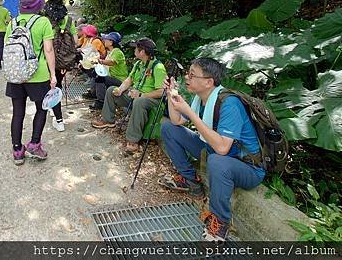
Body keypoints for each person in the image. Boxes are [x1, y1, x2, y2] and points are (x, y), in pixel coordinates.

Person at [159, 58, 265, 242]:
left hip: (248, 167)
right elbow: (177, 121)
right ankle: (191, 181)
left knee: (216, 160)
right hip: (214, 150)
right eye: (188, 73)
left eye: (192, 74)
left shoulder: (230, 104)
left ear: (209, 82)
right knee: (168, 128)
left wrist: (190, 113)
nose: (187, 77)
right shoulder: (200, 98)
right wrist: (170, 95)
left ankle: (220, 221)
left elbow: (223, 148)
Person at [5, 0, 57, 165]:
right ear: (39, 5)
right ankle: (35, 144)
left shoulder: (13, 22)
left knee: (17, 112)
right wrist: (53, 75)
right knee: (42, 109)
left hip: (17, 74)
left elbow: (8, 49)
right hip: (38, 74)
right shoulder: (43, 22)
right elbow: (48, 50)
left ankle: (18, 150)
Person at [91, 38, 166, 154]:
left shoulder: (158, 67)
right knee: (112, 90)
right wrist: (120, 89)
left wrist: (141, 94)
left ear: (142, 52)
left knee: (139, 101)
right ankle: (107, 120)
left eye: (136, 48)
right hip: (135, 95)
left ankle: (133, 139)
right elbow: (129, 79)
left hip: (152, 100)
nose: (134, 50)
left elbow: (161, 92)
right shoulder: (138, 64)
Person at [43, 0, 77, 132]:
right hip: (63, 60)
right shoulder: (68, 19)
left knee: (50, 87)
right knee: (57, 86)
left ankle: (59, 120)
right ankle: (55, 112)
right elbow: (75, 41)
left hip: (46, 60)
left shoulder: (43, 20)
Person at [88, 32, 129, 110]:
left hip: (120, 80)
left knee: (101, 78)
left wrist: (100, 61)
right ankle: (93, 93)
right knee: (95, 73)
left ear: (111, 42)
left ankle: (101, 102)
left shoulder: (117, 52)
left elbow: (111, 62)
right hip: (112, 77)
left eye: (106, 39)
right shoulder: (111, 52)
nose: (104, 40)